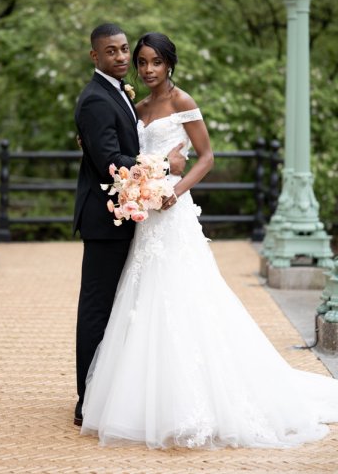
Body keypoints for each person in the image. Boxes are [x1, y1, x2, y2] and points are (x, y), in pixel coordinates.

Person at [80, 32, 338, 449]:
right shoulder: (135, 106)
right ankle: (146, 396)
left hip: (173, 213)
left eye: (155, 62)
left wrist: (174, 192)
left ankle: (201, 396)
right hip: (145, 222)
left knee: (187, 298)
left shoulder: (182, 102)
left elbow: (207, 157)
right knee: (142, 303)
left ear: (170, 64)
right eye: (142, 61)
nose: (147, 69)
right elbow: (121, 154)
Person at [73, 24, 186, 426]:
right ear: (95, 57)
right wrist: (164, 166)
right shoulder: (95, 100)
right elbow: (111, 161)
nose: (121, 58)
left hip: (129, 216)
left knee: (122, 307)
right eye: (112, 52)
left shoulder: (117, 93)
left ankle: (112, 392)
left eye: (125, 51)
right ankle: (87, 401)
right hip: (105, 219)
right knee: (97, 308)